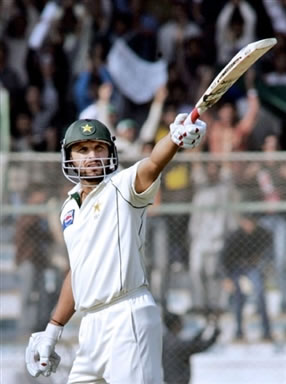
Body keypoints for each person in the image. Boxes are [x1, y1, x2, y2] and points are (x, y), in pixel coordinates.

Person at [25, 115, 207, 383]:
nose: (92, 156)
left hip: (127, 317)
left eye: (99, 148)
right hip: (90, 328)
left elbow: (154, 163)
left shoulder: (123, 186)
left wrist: (173, 139)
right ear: (69, 156)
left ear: (111, 151)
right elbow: (78, 272)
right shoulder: (68, 208)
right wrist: (53, 330)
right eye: (83, 150)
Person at [220, 213, 273, 341]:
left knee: (260, 293)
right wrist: (226, 278)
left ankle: (266, 331)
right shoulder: (234, 236)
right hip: (235, 268)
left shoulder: (262, 233)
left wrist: (260, 261)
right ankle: (239, 331)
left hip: (253, 267)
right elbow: (223, 259)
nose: (250, 226)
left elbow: (269, 251)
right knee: (238, 298)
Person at [162, 311, 220, 384]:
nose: (182, 324)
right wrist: (216, 332)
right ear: (175, 324)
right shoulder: (178, 344)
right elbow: (201, 346)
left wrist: (205, 328)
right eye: (180, 322)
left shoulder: (163, 341)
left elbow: (192, 344)